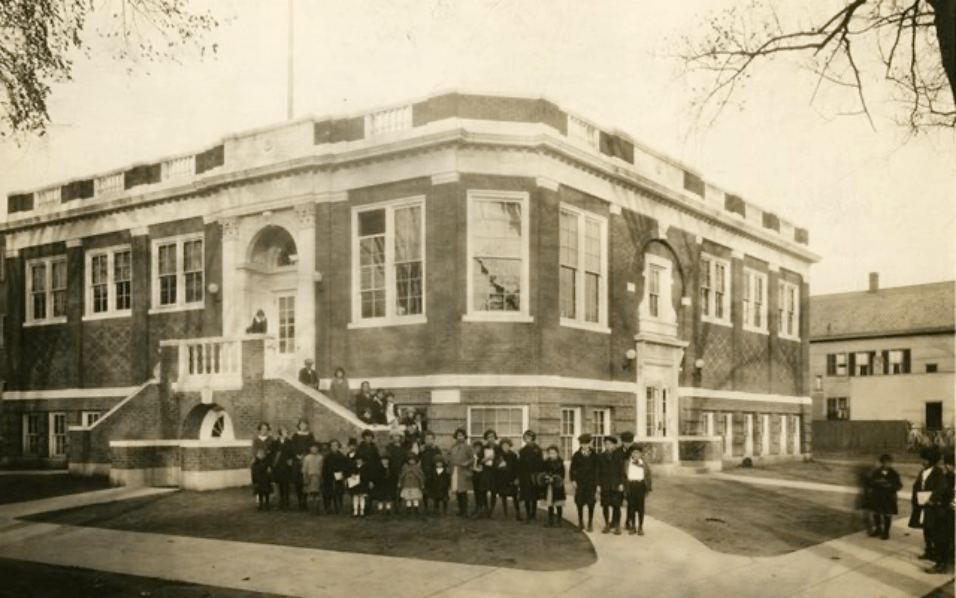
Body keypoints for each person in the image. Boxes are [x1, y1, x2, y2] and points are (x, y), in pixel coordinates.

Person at [911, 447, 950, 574]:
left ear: (930, 460)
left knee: (936, 534)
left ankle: (941, 563)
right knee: (926, 529)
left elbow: (941, 488)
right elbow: (917, 486)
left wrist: (932, 499)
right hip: (923, 505)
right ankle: (929, 551)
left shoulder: (938, 473)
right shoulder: (923, 472)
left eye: (924, 459)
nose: (921, 461)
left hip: (933, 507)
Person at [867, 454, 902, 539]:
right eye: (885, 463)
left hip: (889, 497)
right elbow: (870, 483)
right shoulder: (877, 472)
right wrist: (877, 482)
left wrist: (890, 485)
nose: (887, 465)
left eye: (889, 463)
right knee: (876, 513)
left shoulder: (894, 473)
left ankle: (886, 532)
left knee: (887, 514)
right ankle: (878, 529)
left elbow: (899, 485)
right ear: (882, 463)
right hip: (877, 496)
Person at [570, 433, 598, 531]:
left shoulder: (594, 455)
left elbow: (597, 470)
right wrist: (573, 480)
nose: (584, 446)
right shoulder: (576, 455)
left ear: (590, 443)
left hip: (591, 483)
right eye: (582, 444)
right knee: (579, 502)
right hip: (580, 482)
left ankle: (590, 523)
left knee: (591, 503)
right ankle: (580, 522)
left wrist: (597, 483)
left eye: (586, 443)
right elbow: (572, 469)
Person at [597, 435, 625, 534]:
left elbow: (623, 471)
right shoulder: (600, 456)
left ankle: (617, 525)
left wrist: (621, 483)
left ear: (614, 445)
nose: (608, 446)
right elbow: (598, 472)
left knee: (616, 505)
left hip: (616, 485)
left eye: (610, 444)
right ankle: (607, 524)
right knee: (605, 505)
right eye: (606, 444)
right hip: (605, 485)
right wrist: (598, 485)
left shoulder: (619, 456)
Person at [624, 444, 652, 536]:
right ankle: (633, 526)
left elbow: (648, 475)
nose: (635, 455)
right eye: (634, 453)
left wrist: (648, 488)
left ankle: (640, 526)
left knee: (640, 507)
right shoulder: (627, 463)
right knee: (631, 506)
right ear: (631, 454)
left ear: (640, 454)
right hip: (630, 486)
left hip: (640, 486)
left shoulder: (644, 463)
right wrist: (625, 488)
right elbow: (623, 475)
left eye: (637, 453)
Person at [518, 430, 545, 523]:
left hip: (535, 476)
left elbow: (541, 464)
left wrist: (539, 476)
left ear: (533, 438)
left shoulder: (538, 450)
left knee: (534, 496)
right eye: (526, 438)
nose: (528, 440)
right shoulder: (522, 451)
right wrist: (520, 477)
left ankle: (533, 514)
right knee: (526, 496)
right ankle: (528, 514)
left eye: (530, 438)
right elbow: (520, 465)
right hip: (525, 476)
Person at [449, 427, 474, 517]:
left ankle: (464, 511)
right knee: (457, 491)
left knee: (463, 491)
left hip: (463, 470)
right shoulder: (453, 447)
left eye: (462, 436)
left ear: (464, 437)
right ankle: (460, 510)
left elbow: (472, 458)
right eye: (458, 436)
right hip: (454, 470)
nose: (460, 437)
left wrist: (466, 463)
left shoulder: (467, 447)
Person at [291, 419, 316, 511]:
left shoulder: (310, 435)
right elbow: (292, 447)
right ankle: (299, 501)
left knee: (305, 480)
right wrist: (297, 455)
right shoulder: (295, 436)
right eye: (301, 424)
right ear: (299, 426)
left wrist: (306, 455)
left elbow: (312, 446)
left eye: (305, 424)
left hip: (307, 460)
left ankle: (304, 501)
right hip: (297, 461)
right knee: (298, 481)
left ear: (307, 425)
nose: (303, 426)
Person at [271, 426, 296, 511]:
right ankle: (281, 502)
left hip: (286, 466)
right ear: (280, 432)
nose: (285, 432)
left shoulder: (290, 442)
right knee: (280, 485)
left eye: (286, 431)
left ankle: (287, 503)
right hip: (278, 467)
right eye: (283, 431)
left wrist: (291, 459)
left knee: (286, 485)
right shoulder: (275, 442)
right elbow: (272, 453)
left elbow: (293, 453)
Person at [495, 438, 520, 520]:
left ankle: (518, 513)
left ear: (510, 446)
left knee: (515, 496)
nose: (505, 447)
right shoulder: (499, 456)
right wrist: (499, 466)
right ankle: (505, 513)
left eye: (507, 445)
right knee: (503, 496)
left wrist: (517, 478)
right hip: (502, 479)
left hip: (512, 478)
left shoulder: (513, 455)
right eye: (503, 445)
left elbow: (517, 468)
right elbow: (495, 467)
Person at [542, 445, 566, 527]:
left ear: (557, 453)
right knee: (550, 503)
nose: (551, 455)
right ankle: (550, 520)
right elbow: (543, 471)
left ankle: (559, 520)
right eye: (550, 453)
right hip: (549, 485)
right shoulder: (546, 462)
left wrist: (555, 478)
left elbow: (562, 475)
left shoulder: (560, 463)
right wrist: (546, 477)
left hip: (557, 485)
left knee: (558, 503)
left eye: (553, 453)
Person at [323, 439, 349, 514]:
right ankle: (328, 508)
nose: (334, 447)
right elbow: (325, 468)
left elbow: (345, 466)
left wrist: (343, 474)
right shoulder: (327, 456)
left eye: (336, 445)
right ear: (330, 447)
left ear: (338, 446)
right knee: (328, 492)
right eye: (333, 445)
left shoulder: (341, 456)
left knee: (339, 492)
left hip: (338, 476)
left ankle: (338, 507)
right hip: (329, 477)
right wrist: (326, 476)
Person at [301, 443, 325, 515]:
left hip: (317, 477)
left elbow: (322, 468)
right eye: (312, 448)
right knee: (311, 494)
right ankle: (311, 509)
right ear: (310, 449)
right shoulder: (307, 458)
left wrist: (322, 478)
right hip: (310, 477)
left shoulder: (320, 457)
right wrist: (305, 478)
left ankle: (317, 509)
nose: (314, 449)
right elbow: (304, 469)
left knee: (317, 494)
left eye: (315, 448)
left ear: (317, 449)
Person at [471, 439, 488, 517]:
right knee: (476, 493)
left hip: (482, 477)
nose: (477, 449)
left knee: (482, 493)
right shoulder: (473, 456)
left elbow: (481, 468)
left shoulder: (482, 457)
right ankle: (477, 508)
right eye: (476, 448)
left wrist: (474, 468)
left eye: (479, 448)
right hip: (475, 477)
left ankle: (482, 510)